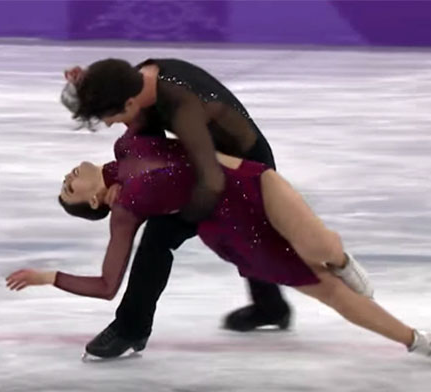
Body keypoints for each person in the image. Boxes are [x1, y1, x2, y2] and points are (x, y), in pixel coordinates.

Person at [5, 131, 431, 366]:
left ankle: (339, 258)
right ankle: (420, 341)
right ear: (93, 202)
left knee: (325, 247)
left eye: (65, 182)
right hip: (231, 230)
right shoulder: (126, 213)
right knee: (331, 294)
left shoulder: (127, 142)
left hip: (249, 183)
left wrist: (92, 90)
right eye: (69, 190)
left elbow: (148, 102)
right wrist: (50, 277)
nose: (66, 178)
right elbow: (109, 285)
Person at [57, 58, 296, 358]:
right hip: (215, 157)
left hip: (242, 168)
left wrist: (172, 212)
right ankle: (270, 307)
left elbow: (210, 182)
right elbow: (143, 135)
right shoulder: (137, 79)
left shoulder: (182, 109)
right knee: (244, 236)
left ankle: (130, 328)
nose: (109, 124)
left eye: (111, 116)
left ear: (128, 102)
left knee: (159, 238)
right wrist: (84, 86)